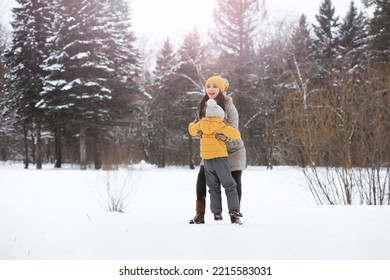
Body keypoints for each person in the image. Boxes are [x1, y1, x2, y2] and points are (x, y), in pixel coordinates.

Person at [189, 75, 246, 224]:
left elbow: (234, 129)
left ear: (220, 89)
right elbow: (196, 126)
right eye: (208, 86)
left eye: (215, 86)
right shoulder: (202, 105)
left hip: (233, 150)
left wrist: (224, 137)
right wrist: (199, 133)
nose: (211, 89)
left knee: (233, 181)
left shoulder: (229, 106)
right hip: (212, 151)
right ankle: (199, 214)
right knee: (202, 179)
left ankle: (235, 215)